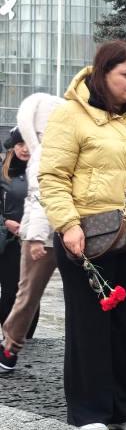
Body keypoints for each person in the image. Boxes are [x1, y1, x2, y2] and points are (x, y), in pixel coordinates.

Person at [39, 40, 126, 430]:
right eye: (125, 75)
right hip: (87, 237)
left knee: (122, 323)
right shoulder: (71, 115)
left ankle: (119, 406)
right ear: (103, 74)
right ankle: (87, 410)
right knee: (88, 324)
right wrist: (67, 224)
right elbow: (52, 177)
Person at [0, 94, 64, 371]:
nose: (25, 148)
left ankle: (18, 338)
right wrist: (15, 227)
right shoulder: (12, 171)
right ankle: (9, 342)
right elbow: (34, 198)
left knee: (23, 290)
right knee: (19, 293)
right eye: (21, 143)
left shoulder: (51, 160)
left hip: (42, 234)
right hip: (20, 235)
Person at [0, 128, 29, 326]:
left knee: (31, 291)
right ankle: (8, 333)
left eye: (29, 144)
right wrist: (5, 223)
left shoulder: (42, 171)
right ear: (13, 147)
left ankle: (28, 338)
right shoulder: (3, 173)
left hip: (34, 240)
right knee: (10, 291)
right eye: (20, 144)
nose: (25, 149)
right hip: (8, 242)